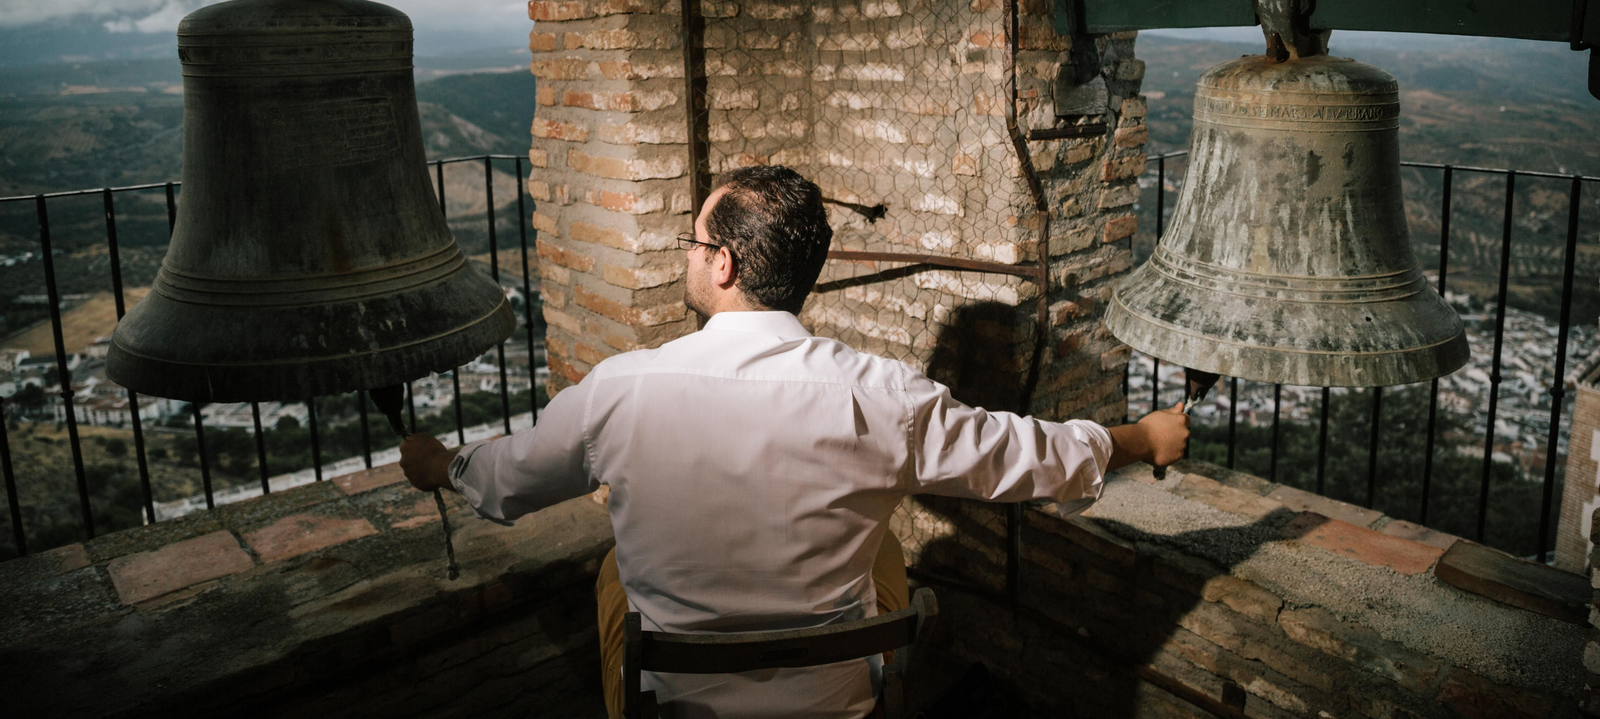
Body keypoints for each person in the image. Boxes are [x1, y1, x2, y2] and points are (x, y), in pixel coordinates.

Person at [400, 165, 1189, 718]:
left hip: (675, 705)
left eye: (693, 240)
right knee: (879, 551)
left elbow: (504, 483)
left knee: (616, 567)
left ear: (725, 263)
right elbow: (1028, 456)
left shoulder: (622, 390)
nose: (688, 252)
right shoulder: (881, 396)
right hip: (837, 703)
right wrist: (1139, 435)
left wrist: (440, 463)